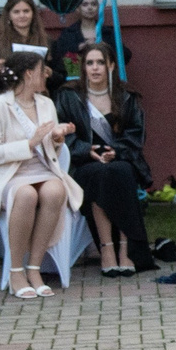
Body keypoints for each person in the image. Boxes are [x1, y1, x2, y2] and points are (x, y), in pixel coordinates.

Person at [0, 56, 82, 301]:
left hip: (42, 170)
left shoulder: (45, 103)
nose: (47, 75)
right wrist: (29, 143)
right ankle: (15, 271)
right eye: (43, 71)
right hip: (11, 174)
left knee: (55, 191)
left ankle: (34, 268)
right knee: (26, 194)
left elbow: (52, 151)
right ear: (29, 74)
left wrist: (57, 139)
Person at [57, 40, 157, 275]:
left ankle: (125, 250)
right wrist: (85, 150)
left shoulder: (127, 96)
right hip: (84, 162)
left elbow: (136, 134)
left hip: (122, 158)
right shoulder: (68, 96)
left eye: (100, 62)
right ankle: (107, 248)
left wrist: (117, 151)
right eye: (90, 63)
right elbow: (61, 134)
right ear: (83, 67)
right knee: (98, 174)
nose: (95, 68)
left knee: (120, 172)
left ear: (111, 66)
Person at [0, 0, 56, 93]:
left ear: (33, 14)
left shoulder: (47, 41)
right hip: (7, 99)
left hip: (39, 98)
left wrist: (50, 73)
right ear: (9, 15)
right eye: (16, 12)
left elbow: (61, 77)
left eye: (26, 11)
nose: (22, 15)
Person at [45, 0, 124, 81]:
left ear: (98, 7)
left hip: (103, 79)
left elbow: (124, 56)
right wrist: (79, 47)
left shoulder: (107, 32)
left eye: (93, 4)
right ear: (78, 8)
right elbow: (58, 57)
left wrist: (105, 46)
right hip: (76, 80)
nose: (90, 8)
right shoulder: (69, 33)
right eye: (85, 4)